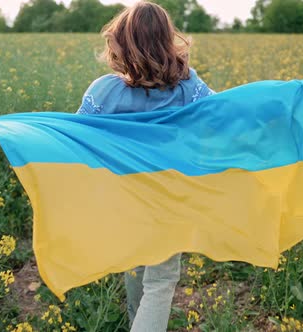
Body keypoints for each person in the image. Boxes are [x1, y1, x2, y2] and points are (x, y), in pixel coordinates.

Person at [75, 1, 214, 331]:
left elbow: (74, 139)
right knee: (161, 282)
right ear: (167, 40)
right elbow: (223, 114)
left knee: (135, 269)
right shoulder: (188, 87)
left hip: (125, 201)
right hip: (172, 199)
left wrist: (15, 130)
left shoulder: (104, 91)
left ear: (122, 42)